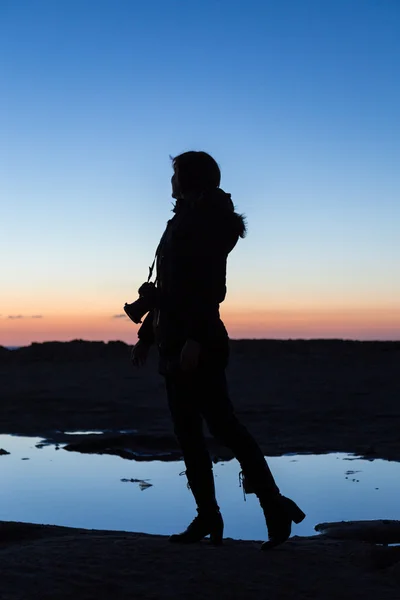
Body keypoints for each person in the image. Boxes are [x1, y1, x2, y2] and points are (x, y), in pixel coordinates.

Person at [131, 151, 305, 549]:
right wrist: (147, 336)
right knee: (188, 433)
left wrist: (195, 338)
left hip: (198, 343)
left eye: (174, 175)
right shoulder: (183, 220)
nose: (169, 182)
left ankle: (273, 506)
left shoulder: (206, 224)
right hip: (174, 342)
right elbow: (171, 291)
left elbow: (208, 290)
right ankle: (208, 517)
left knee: (226, 429)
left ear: (190, 179)